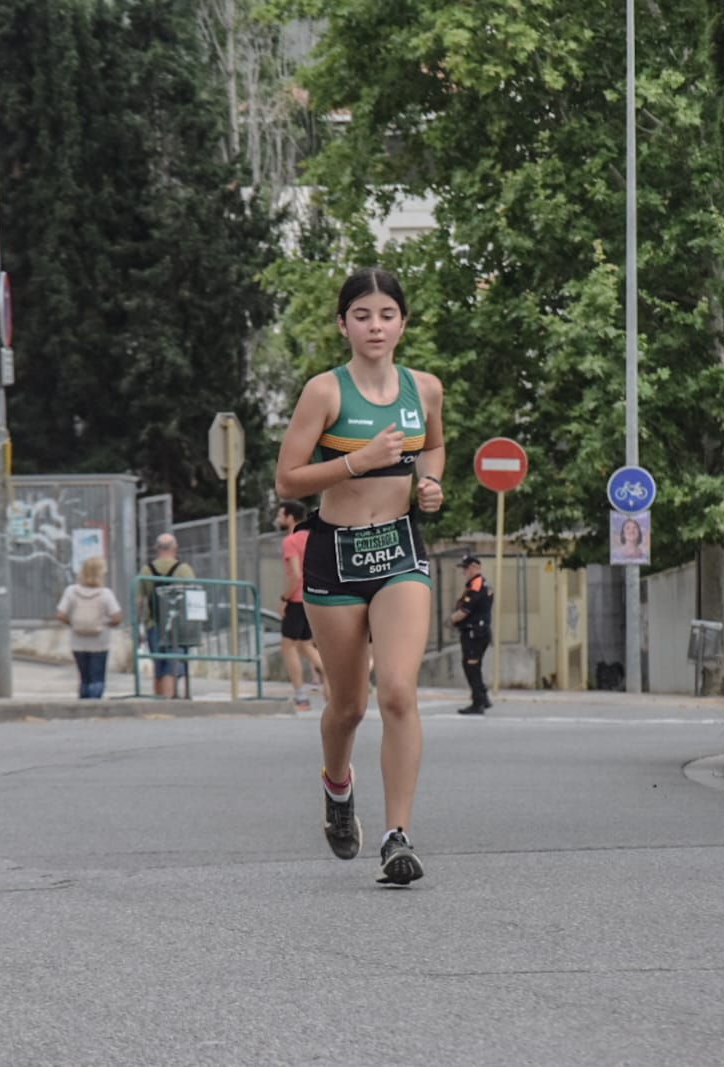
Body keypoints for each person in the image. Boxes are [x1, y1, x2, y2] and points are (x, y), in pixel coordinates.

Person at [273, 266, 445, 886]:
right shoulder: (324, 392)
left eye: (387, 314)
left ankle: (398, 836)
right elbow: (288, 480)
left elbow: (434, 447)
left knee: (398, 690)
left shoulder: (424, 388)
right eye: (363, 315)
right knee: (346, 706)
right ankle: (338, 790)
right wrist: (356, 463)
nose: (376, 326)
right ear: (343, 323)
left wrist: (430, 485)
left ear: (403, 322)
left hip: (398, 550)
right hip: (336, 556)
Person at [275, 500, 327, 711]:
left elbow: (296, 574)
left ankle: (300, 695)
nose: (278, 518)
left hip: (296, 599)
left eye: (280, 514)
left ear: (290, 517)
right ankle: (330, 672)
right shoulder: (313, 537)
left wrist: (284, 598)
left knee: (288, 646)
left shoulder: (291, 540)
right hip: (314, 597)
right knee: (305, 644)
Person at [56, 556, 123, 699]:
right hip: (100, 641)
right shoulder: (105, 594)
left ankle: (84, 704)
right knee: (97, 677)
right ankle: (95, 706)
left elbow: (61, 614)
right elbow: (116, 618)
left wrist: (73, 623)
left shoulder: (71, 591)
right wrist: (105, 623)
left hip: (78, 641)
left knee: (84, 677)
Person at [138, 533, 195, 699]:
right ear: (174, 548)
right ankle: (168, 701)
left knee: (159, 664)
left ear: (156, 548)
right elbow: (192, 596)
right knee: (172, 665)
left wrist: (137, 625)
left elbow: (139, 600)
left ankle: (158, 699)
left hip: (153, 624)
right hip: (178, 626)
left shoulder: (146, 570)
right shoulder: (184, 569)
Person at [449, 554, 494, 715]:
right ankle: (483, 697)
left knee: (471, 667)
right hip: (479, 632)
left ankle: (478, 702)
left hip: (474, 633)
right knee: (474, 666)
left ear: (476, 567)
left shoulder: (476, 586)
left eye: (466, 568)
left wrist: (451, 620)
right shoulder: (483, 583)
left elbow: (464, 611)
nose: (464, 572)